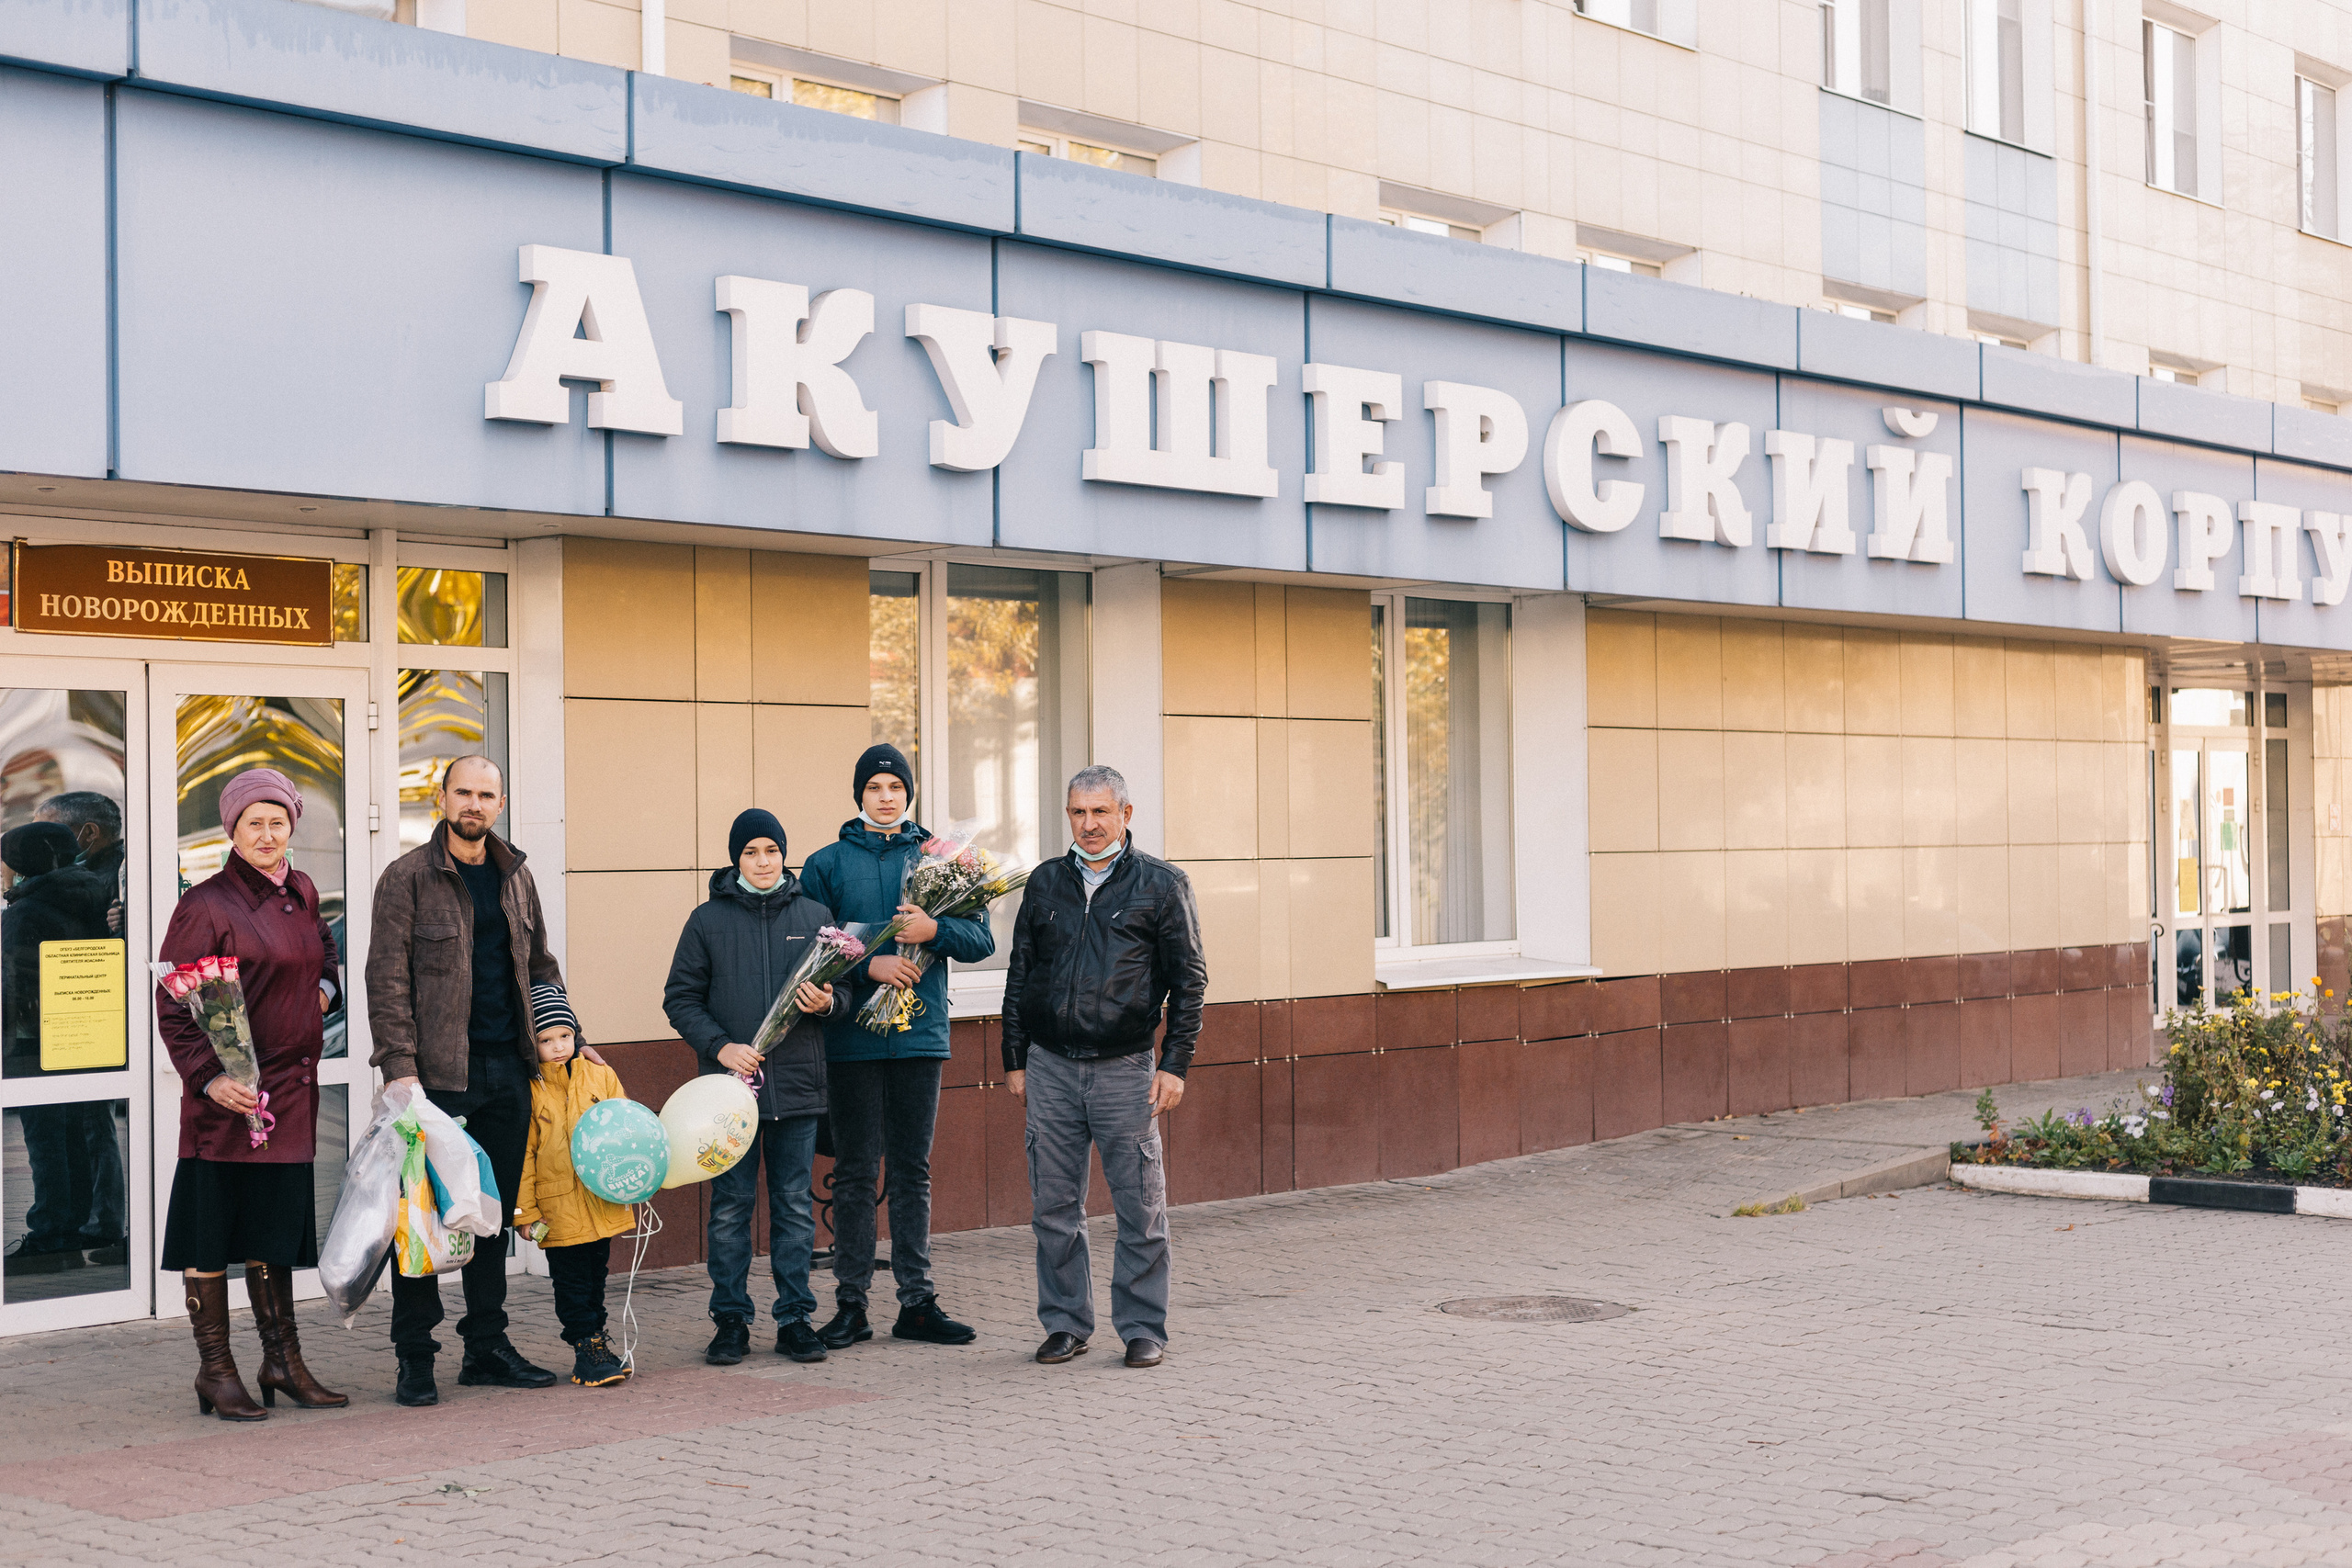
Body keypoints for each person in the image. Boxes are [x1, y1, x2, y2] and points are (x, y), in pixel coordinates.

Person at [366, 754, 571, 1408]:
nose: (474, 804)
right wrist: (401, 1071)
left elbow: (541, 965)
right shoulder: (407, 878)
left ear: (500, 802)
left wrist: (572, 1037)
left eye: (486, 794)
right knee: (423, 1224)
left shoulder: (516, 875)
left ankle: (485, 1346)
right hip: (437, 1080)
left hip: (507, 1070)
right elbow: (387, 980)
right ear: (441, 797)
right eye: (463, 792)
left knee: (491, 1218)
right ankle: (415, 1356)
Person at [155, 768, 346, 1420]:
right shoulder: (205, 903)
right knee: (211, 1238)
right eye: (252, 823)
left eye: (278, 821)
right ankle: (216, 1370)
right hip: (226, 1104)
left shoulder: (304, 888)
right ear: (231, 830)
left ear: (293, 824)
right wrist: (210, 1076)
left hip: (289, 1098)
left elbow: (324, 954)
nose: (267, 834)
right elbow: (175, 1002)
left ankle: (282, 1362)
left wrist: (324, 993)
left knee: (274, 1233)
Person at [1002, 765, 1205, 1371]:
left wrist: (1175, 1064)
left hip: (1126, 1071)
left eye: (1099, 812)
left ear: (1125, 813)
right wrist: (1016, 1059)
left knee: (1140, 1207)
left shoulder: (1162, 885)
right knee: (1054, 1209)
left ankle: (1143, 1326)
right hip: (1051, 1069)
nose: (1088, 825)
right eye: (1077, 813)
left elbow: (1189, 982)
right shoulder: (1044, 883)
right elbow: (1020, 973)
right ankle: (1065, 1323)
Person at [799, 743, 994, 1351]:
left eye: (895, 786)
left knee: (913, 1170)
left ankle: (917, 1300)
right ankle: (851, 1303)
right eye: (874, 786)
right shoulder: (825, 862)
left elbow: (982, 938)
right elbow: (810, 946)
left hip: (920, 1034)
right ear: (858, 794)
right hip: (852, 1036)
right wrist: (870, 966)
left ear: (909, 793)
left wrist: (933, 928)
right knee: (855, 1172)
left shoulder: (944, 856)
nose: (886, 795)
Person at [662, 808, 845, 1367]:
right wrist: (721, 1048)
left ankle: (795, 1319)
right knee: (730, 1209)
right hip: (726, 1100)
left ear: (784, 855)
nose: (763, 862)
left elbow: (850, 995)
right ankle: (731, 1322)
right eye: (751, 853)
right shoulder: (706, 921)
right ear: (736, 858)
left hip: (796, 1090)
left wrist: (830, 1002)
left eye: (771, 851)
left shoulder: (816, 916)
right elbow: (680, 999)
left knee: (793, 1207)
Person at [1, 823, 123, 1274]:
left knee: (46, 1141)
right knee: (72, 1136)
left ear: (21, 865)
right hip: (82, 1036)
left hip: (32, 1045)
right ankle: (69, 1230)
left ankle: (52, 1236)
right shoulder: (95, 898)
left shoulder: (25, 911)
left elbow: (11, 987)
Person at [513, 982, 634, 1389]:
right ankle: (585, 1345)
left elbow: (626, 1129)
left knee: (596, 1275)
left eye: (565, 1036)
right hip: (557, 1208)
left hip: (600, 1201)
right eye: (547, 1040)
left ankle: (597, 1340)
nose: (559, 1046)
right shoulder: (530, 1090)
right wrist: (526, 1215)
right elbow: (525, 1157)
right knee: (571, 1281)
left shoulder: (600, 1075)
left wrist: (631, 1181)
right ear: (533, 1043)